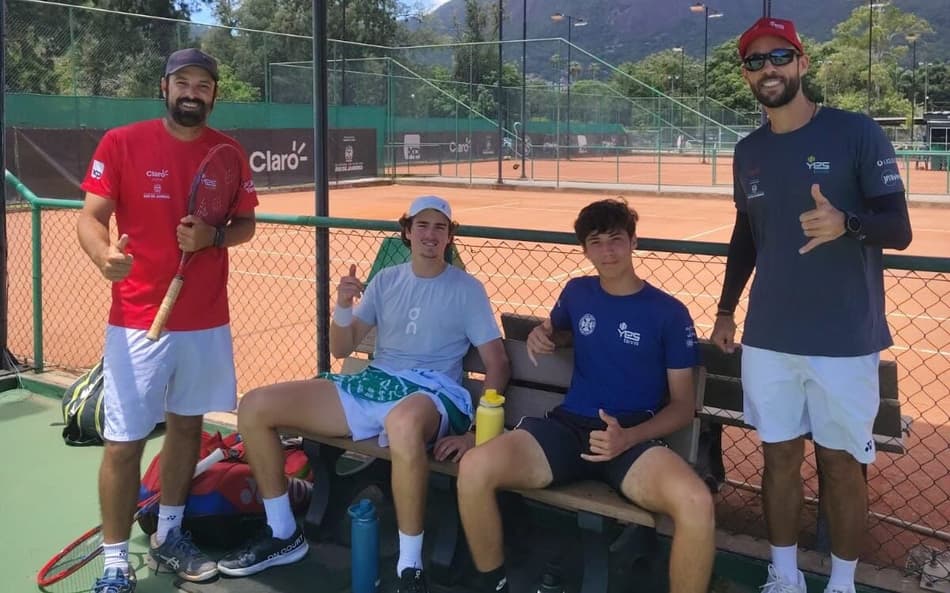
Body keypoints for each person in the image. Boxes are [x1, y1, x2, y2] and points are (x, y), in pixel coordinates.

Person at [710, 17, 913, 593]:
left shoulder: (856, 133)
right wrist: (726, 309)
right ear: (747, 75)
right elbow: (746, 234)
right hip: (768, 338)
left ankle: (842, 584)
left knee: (841, 464)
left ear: (802, 62)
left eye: (779, 56)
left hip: (843, 339)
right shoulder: (748, 151)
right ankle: (784, 577)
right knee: (777, 459)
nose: (768, 68)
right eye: (755, 61)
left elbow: (898, 228)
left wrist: (847, 223)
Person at [218, 195, 510, 593]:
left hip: (433, 392)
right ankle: (283, 533)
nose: (431, 234)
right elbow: (342, 348)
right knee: (254, 406)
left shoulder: (467, 289)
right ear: (407, 231)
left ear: (449, 237)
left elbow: (497, 363)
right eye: (422, 225)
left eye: (440, 227)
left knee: (403, 423)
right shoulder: (386, 280)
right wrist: (342, 305)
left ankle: (410, 567)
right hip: (375, 385)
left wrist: (476, 433)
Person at [456, 198, 715, 593]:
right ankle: (497, 584)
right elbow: (559, 331)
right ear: (585, 250)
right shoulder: (577, 292)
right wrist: (544, 335)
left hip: (632, 438)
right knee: (475, 467)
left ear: (633, 242)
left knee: (696, 503)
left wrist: (628, 437)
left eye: (616, 239)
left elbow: (683, 406)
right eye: (596, 242)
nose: (607, 251)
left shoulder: (669, 312)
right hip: (569, 429)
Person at [76, 48, 258, 593]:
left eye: (203, 85)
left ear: (214, 94)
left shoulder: (229, 151)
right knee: (123, 441)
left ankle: (170, 536)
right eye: (183, 82)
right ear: (164, 87)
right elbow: (90, 217)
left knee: (186, 428)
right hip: (136, 320)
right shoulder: (121, 143)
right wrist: (104, 254)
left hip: (205, 320)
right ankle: (115, 561)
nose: (192, 93)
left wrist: (213, 237)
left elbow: (245, 224)